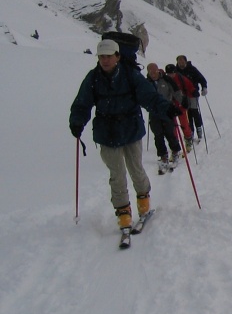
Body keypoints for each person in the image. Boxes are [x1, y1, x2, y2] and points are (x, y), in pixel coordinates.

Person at [70, 39, 177, 231]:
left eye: (109, 56)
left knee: (136, 169)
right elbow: (82, 103)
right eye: (102, 57)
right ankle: (123, 213)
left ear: (118, 57)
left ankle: (143, 204)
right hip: (107, 132)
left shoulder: (130, 76)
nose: (105, 60)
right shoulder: (93, 78)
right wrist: (77, 121)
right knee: (117, 174)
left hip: (130, 130)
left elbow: (149, 97)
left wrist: (166, 109)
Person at [146, 63, 184, 174]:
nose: (153, 74)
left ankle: (175, 151)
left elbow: (176, 91)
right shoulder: (145, 82)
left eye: (154, 71)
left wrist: (182, 103)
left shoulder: (166, 80)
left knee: (169, 132)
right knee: (158, 134)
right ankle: (163, 156)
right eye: (150, 72)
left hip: (167, 111)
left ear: (158, 70)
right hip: (154, 113)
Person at [175, 54, 208, 142]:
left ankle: (198, 127)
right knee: (187, 113)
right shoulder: (176, 71)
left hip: (193, 94)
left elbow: (201, 78)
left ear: (186, 61)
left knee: (194, 111)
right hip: (182, 96)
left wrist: (204, 87)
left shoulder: (192, 69)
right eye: (179, 61)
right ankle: (191, 131)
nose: (181, 62)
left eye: (182, 61)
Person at [164, 64, 195, 151]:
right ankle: (176, 142)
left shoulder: (181, 78)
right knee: (173, 126)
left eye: (172, 73)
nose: (171, 75)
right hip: (170, 106)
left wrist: (193, 91)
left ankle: (188, 139)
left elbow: (189, 86)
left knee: (184, 124)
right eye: (169, 73)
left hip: (181, 105)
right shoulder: (165, 80)